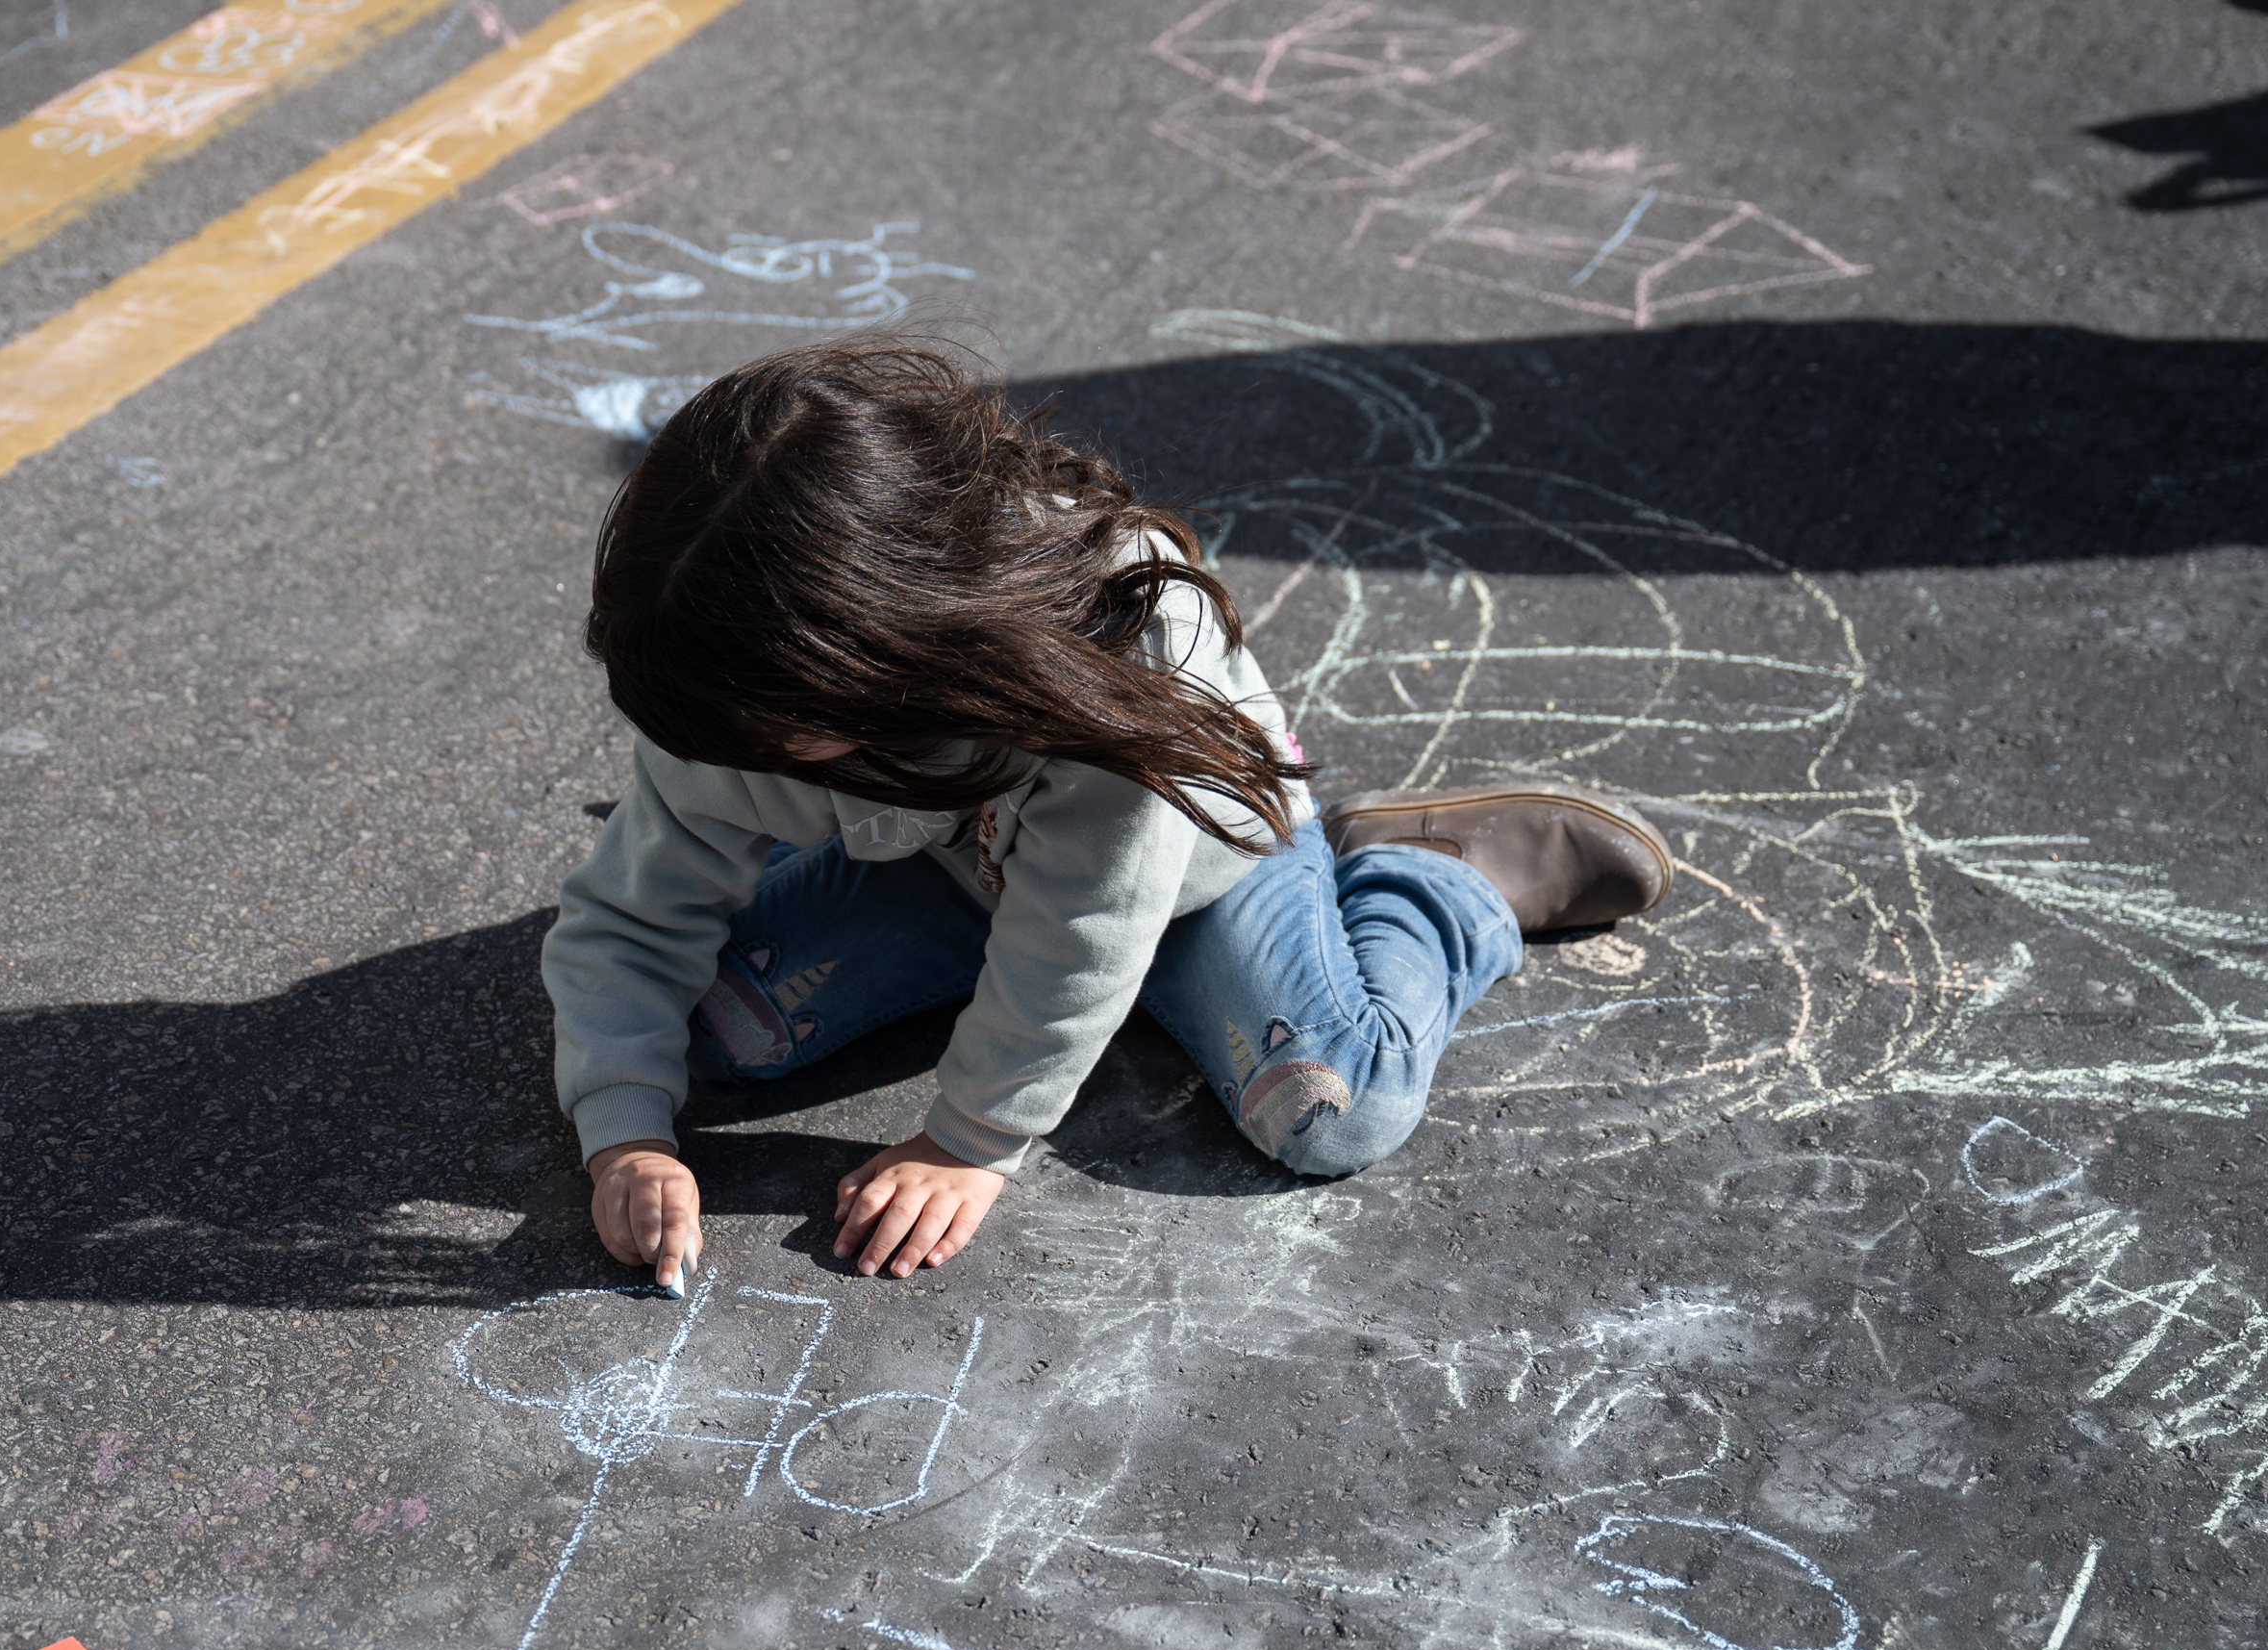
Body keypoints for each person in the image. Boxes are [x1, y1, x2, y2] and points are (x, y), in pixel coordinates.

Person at [540, 337, 1669, 1293]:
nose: (719, 758)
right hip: (954, 863)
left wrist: (970, 1141)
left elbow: (1085, 927)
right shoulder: (728, 688)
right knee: (706, 1031)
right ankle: (1070, 980)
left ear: (878, 655)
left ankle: (1431, 881)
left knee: (1334, 1115)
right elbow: (632, 922)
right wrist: (624, 1137)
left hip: (1202, 871)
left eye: (757, 737)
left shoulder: (1110, 663)